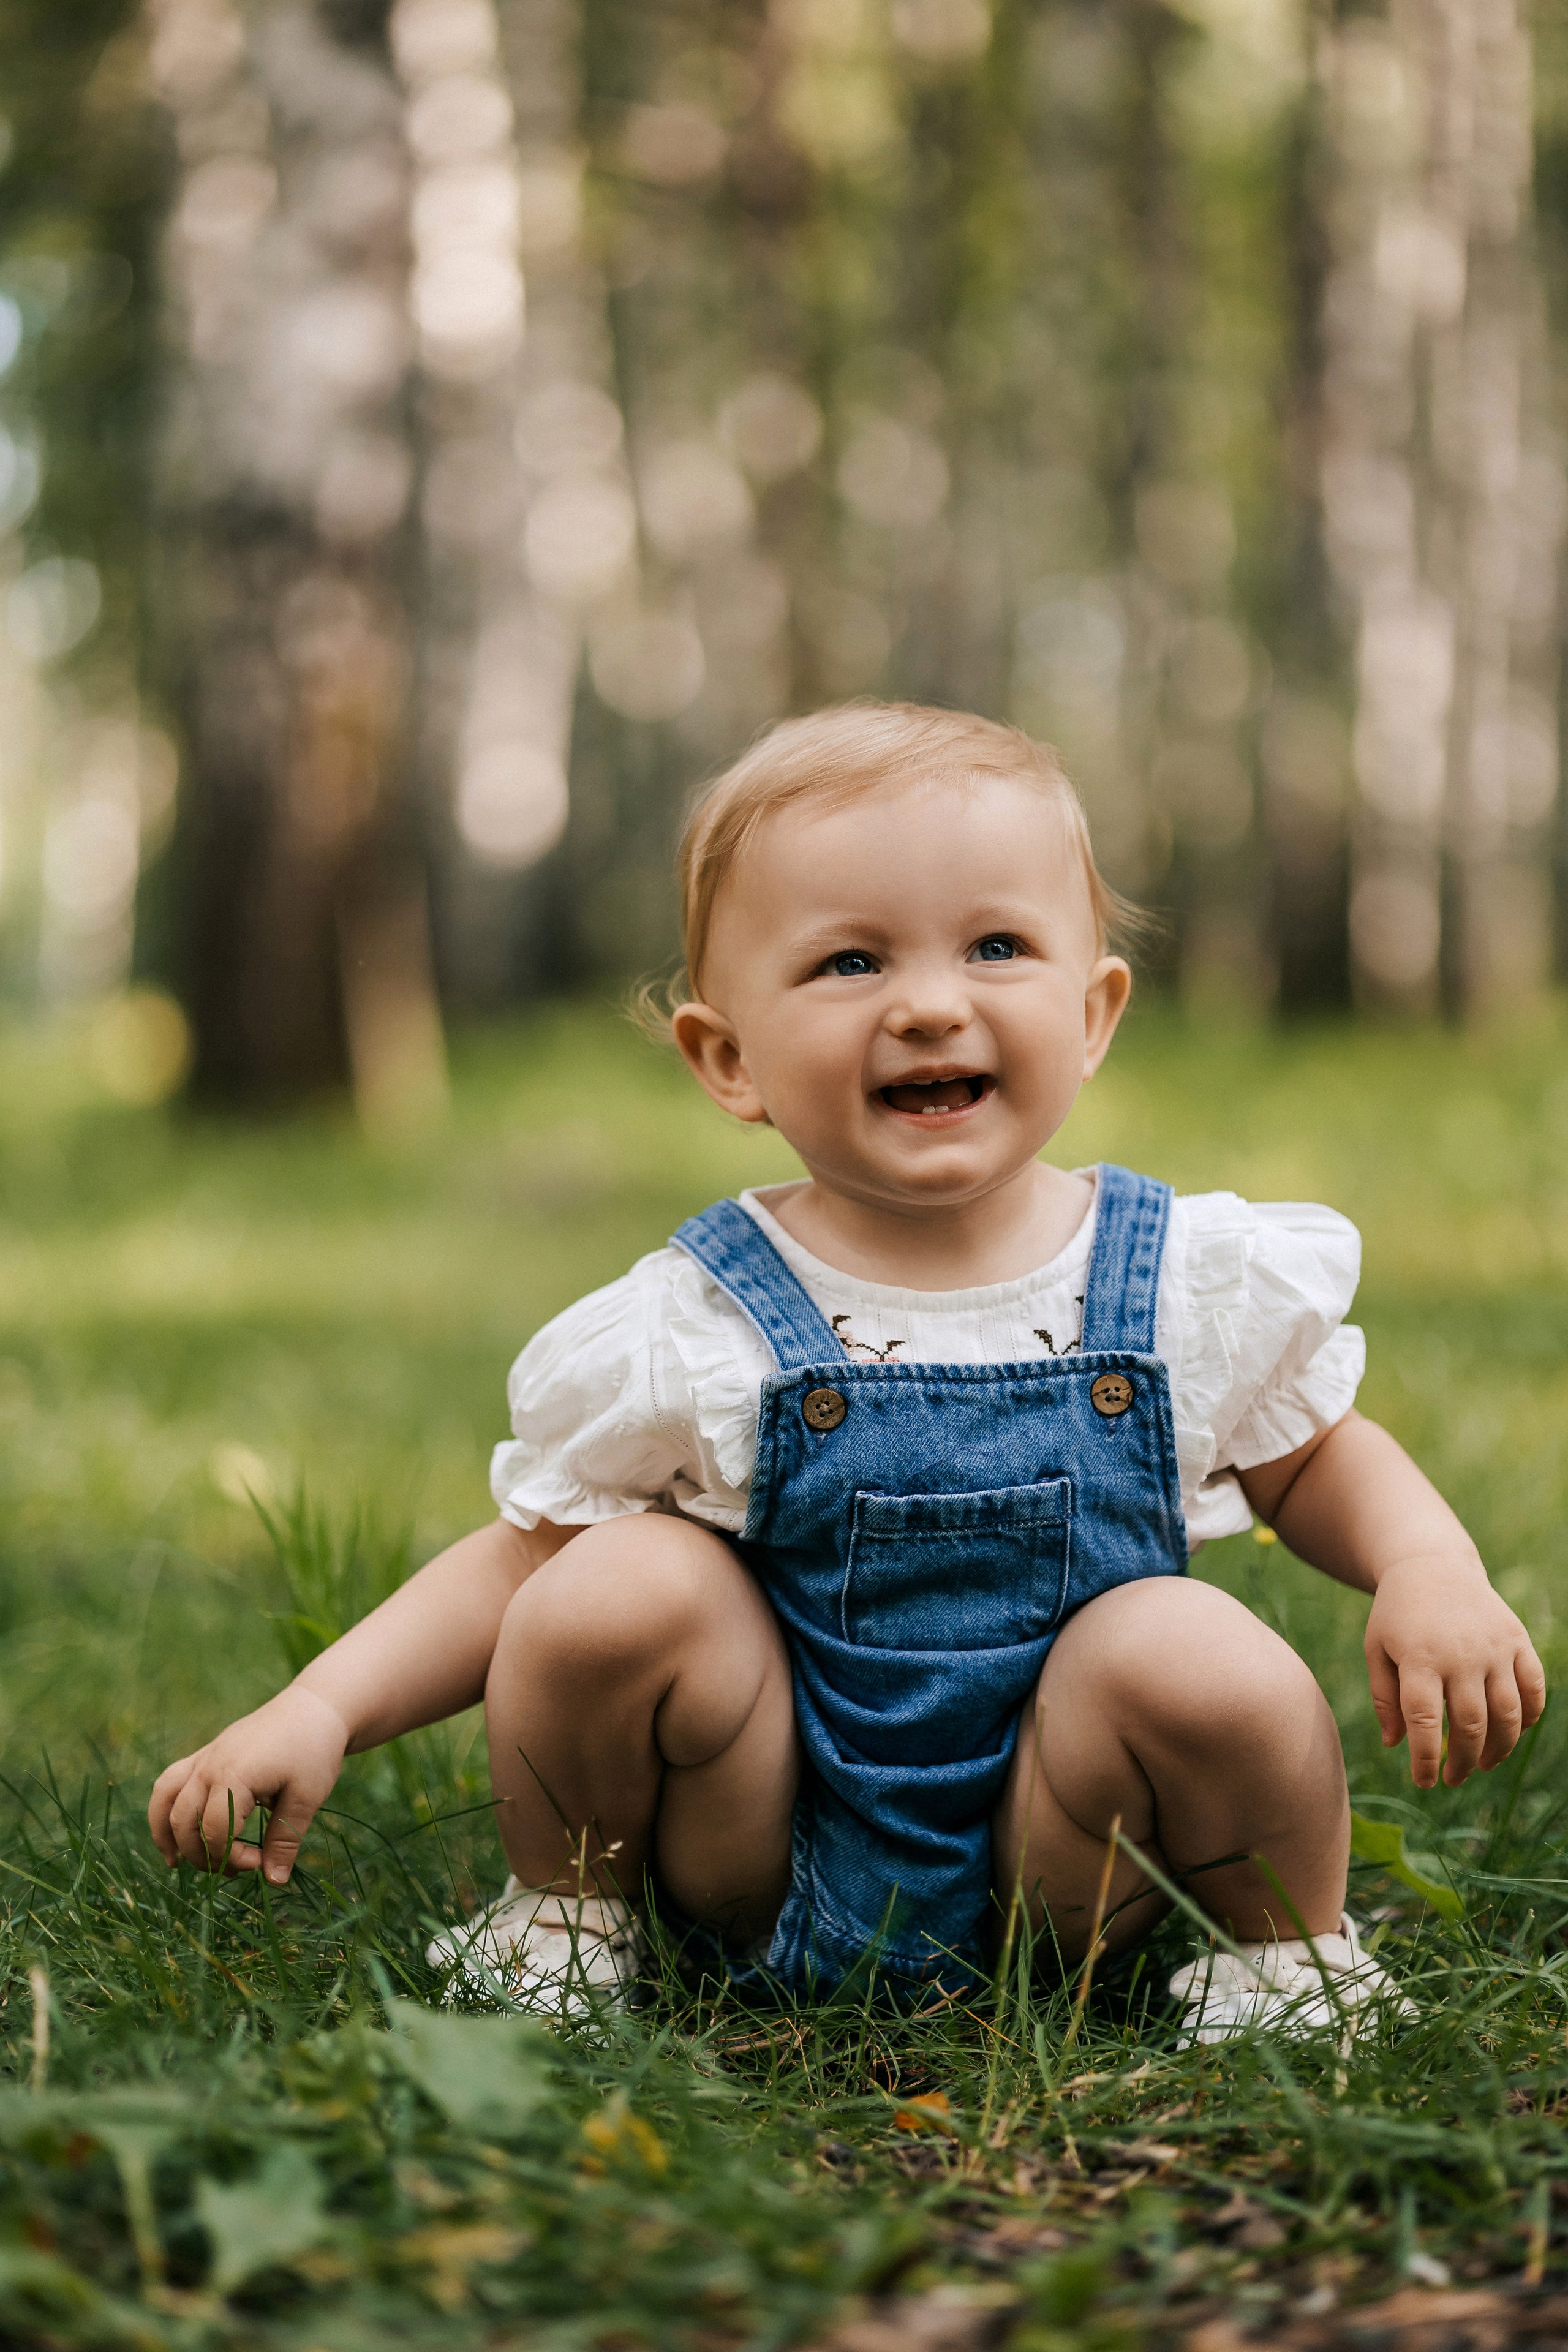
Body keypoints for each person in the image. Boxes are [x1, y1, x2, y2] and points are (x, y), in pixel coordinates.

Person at [149, 704, 1545, 2039]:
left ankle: (1282, 1966)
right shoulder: (703, 1320)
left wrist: (1425, 1565)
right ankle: (570, 1924)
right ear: (727, 1057)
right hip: (752, 1859)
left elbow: (1310, 1455)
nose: (930, 1006)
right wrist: (319, 1705)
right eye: (850, 964)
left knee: (1189, 1650)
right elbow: (521, 1565)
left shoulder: (1175, 1274)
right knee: (614, 1581)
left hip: (1069, 1876)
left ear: (1094, 1011)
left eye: (995, 946)